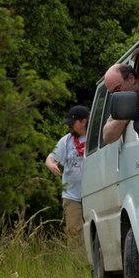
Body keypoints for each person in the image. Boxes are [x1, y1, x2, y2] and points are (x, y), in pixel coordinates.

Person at [45, 105, 89, 248]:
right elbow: (50, 158)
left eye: (72, 123)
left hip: (94, 192)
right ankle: (79, 266)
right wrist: (51, 165)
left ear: (84, 122)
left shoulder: (96, 137)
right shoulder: (66, 140)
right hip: (72, 196)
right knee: (75, 232)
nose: (69, 126)